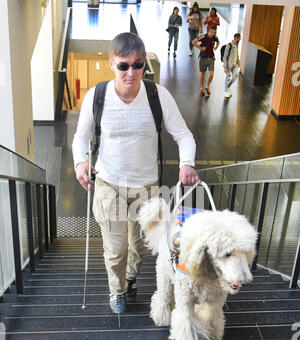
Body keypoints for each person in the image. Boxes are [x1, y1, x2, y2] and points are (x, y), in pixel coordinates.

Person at [72, 32, 199, 314]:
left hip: (147, 188)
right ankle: (117, 290)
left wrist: (187, 163)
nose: (132, 72)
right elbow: (80, 138)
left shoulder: (157, 95)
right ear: (111, 64)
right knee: (116, 248)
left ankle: (130, 279)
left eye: (138, 64)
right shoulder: (98, 96)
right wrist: (80, 162)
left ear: (145, 64)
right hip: (109, 184)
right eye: (124, 65)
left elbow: (184, 135)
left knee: (139, 247)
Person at [192, 25, 220, 96]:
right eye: (212, 32)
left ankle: (207, 86)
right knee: (203, 74)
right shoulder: (203, 37)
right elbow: (193, 42)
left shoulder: (215, 38)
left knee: (211, 74)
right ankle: (202, 88)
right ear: (209, 30)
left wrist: (216, 47)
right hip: (203, 58)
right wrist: (200, 48)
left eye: (214, 32)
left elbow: (218, 42)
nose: (213, 33)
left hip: (211, 58)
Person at [223, 33, 241, 99]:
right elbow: (225, 57)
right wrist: (225, 67)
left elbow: (237, 54)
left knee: (234, 78)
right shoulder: (229, 45)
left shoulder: (236, 45)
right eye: (239, 37)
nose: (240, 39)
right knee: (228, 78)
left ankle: (228, 86)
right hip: (229, 66)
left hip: (235, 65)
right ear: (236, 37)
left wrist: (238, 61)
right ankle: (225, 91)